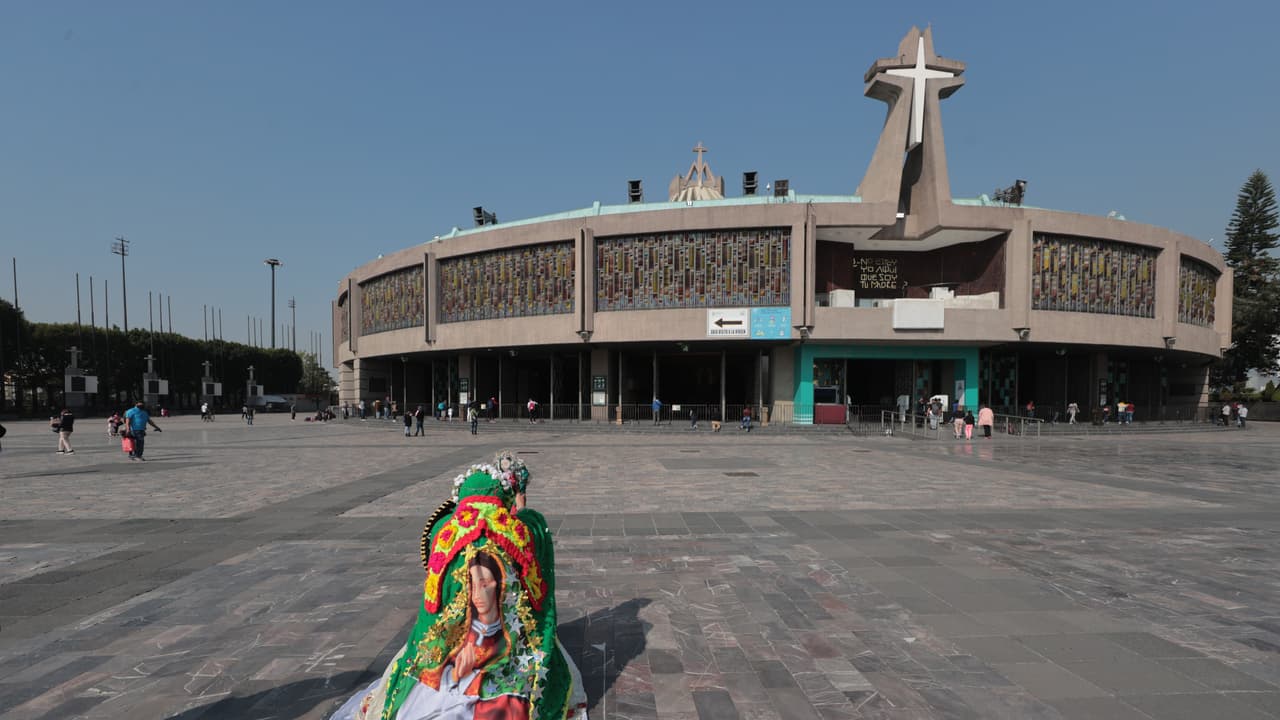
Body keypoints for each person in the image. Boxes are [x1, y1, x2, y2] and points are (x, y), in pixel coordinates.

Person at [328, 454, 588, 720]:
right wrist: (520, 497)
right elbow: (533, 525)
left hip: (452, 642)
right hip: (504, 640)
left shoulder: (445, 533)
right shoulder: (517, 531)